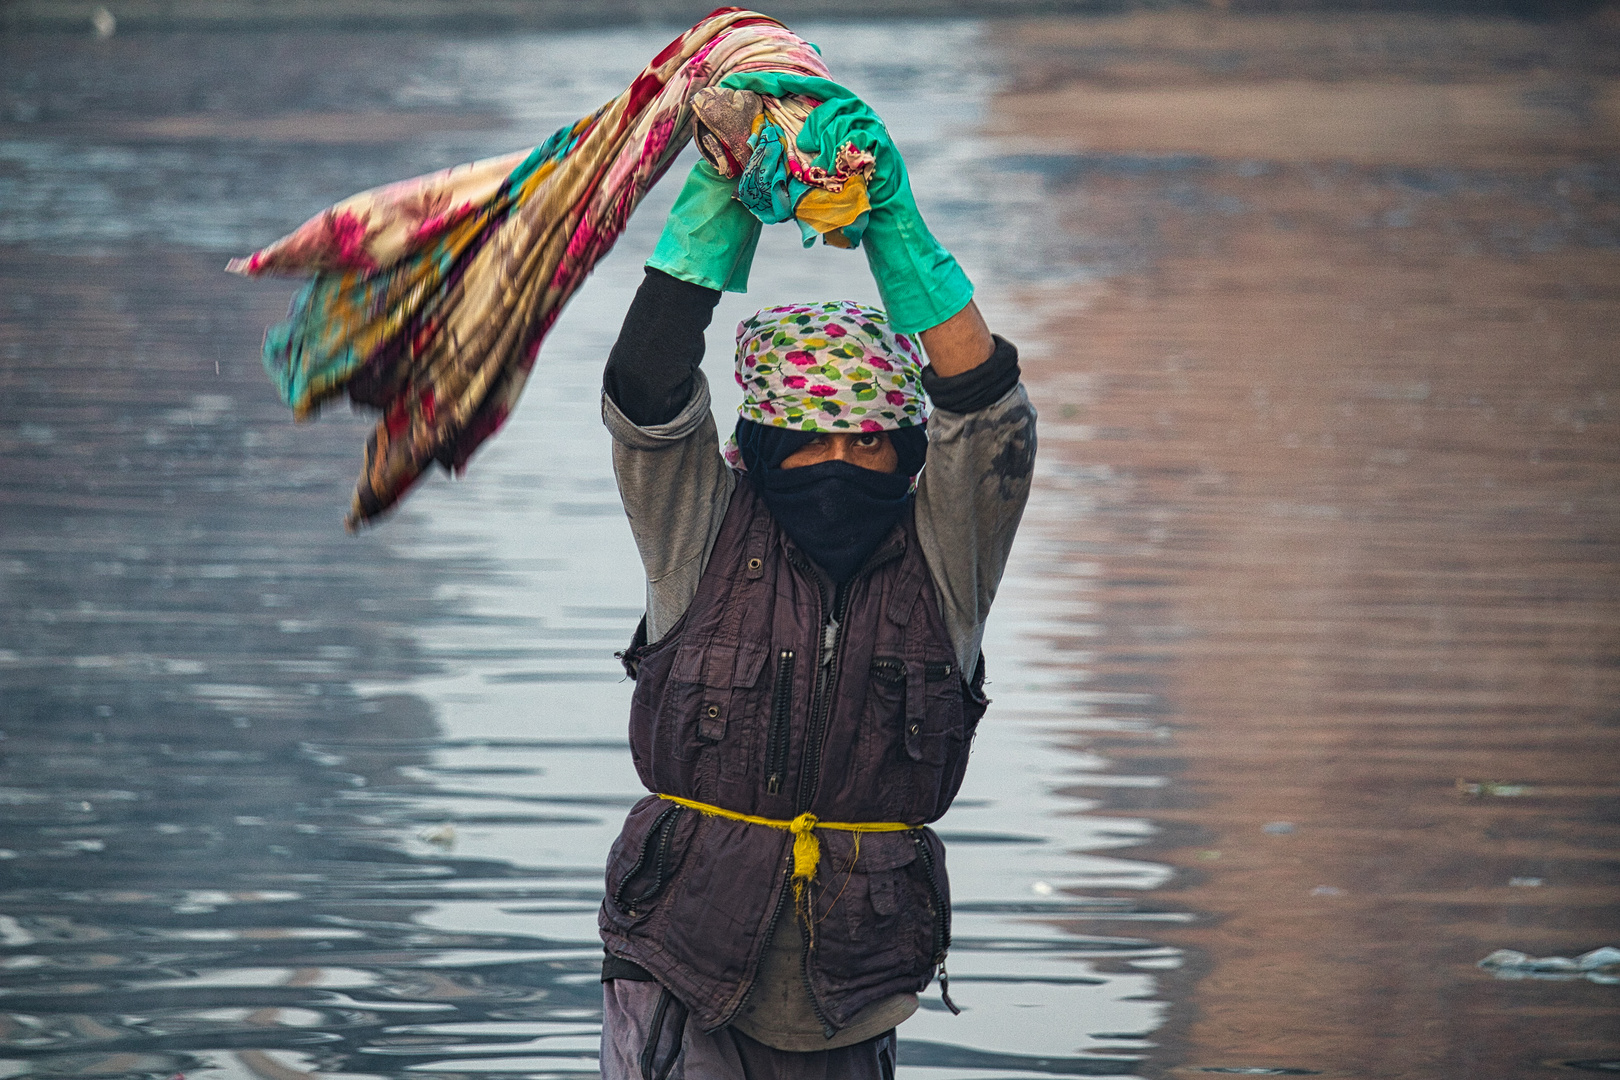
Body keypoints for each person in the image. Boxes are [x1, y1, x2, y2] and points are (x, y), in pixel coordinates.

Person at [595, 79, 1036, 1079]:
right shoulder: (698, 529)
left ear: (908, 453)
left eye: (869, 442)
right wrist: (718, 204)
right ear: (757, 443)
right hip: (680, 965)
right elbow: (646, 395)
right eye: (808, 437)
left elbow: (988, 415)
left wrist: (895, 228)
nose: (839, 463)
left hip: (856, 988)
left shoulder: (946, 559)